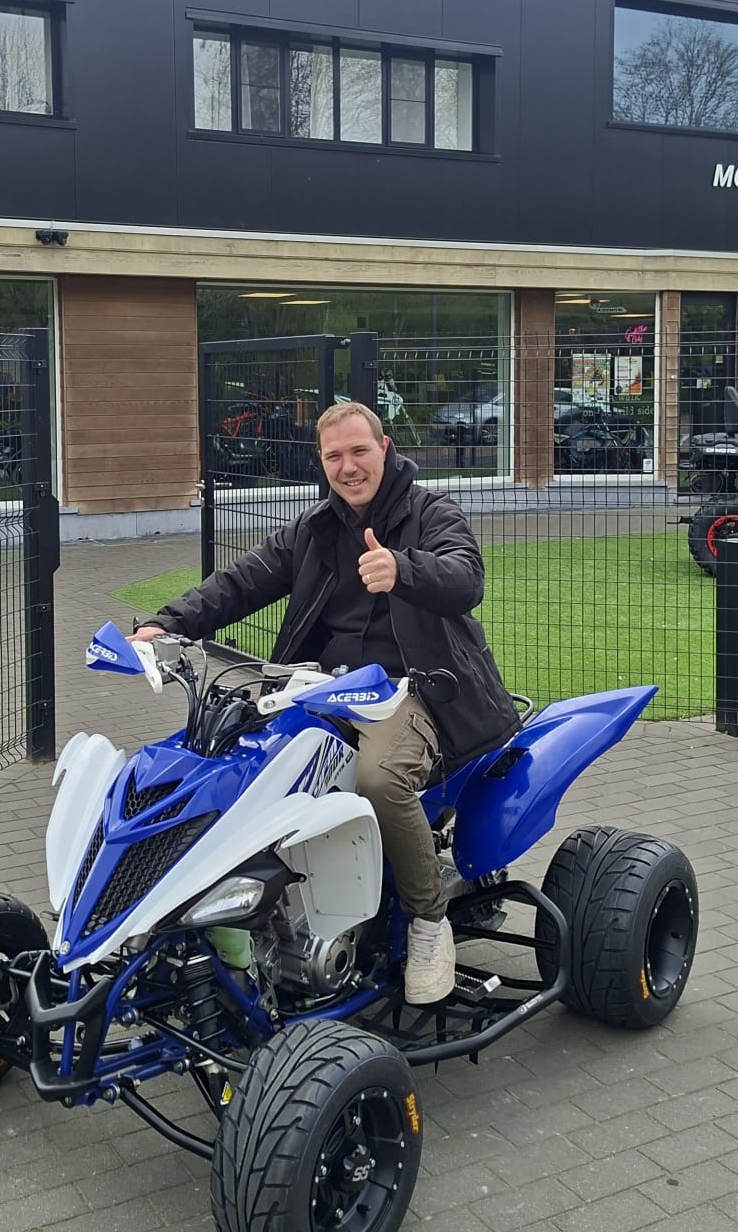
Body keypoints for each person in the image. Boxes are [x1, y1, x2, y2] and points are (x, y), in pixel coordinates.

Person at [133, 401, 521, 1006]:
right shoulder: (314, 530)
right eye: (334, 455)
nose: (348, 466)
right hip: (324, 686)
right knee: (241, 759)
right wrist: (167, 624)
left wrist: (403, 569)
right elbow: (242, 580)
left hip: (411, 689)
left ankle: (428, 921)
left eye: (359, 451)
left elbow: (466, 577)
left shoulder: (430, 512)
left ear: (384, 448)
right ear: (321, 461)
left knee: (379, 779)